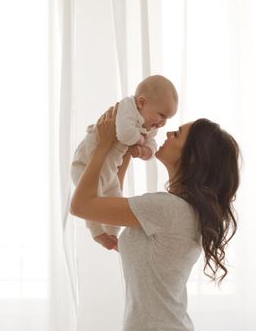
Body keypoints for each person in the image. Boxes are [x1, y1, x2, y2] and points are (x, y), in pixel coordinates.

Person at [70, 104, 240, 331]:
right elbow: (110, 200)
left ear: (191, 158)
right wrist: (122, 149)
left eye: (177, 134)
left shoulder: (167, 209)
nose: (168, 133)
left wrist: (102, 146)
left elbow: (81, 205)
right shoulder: (179, 210)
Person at [70, 75, 178, 250]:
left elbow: (152, 147)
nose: (162, 124)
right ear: (142, 102)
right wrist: (141, 141)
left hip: (109, 167)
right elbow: (125, 134)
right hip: (86, 162)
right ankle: (97, 232)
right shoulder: (128, 107)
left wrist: (143, 151)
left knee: (115, 196)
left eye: (168, 119)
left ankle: (112, 233)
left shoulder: (150, 125)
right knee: (94, 198)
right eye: (161, 115)